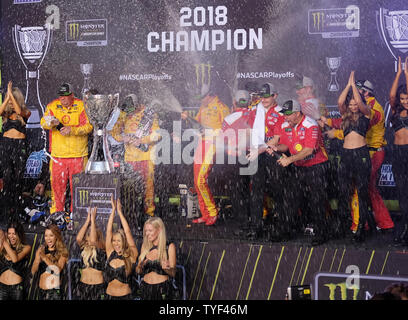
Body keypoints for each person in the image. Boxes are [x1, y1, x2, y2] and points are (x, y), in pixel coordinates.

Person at [267, 98, 330, 245]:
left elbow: (308, 151)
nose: (285, 117)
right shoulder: (290, 125)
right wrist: (276, 148)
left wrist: (289, 160)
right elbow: (287, 146)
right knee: (290, 199)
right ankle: (284, 232)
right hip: (299, 166)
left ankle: (321, 234)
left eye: (288, 114)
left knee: (317, 201)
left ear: (297, 113)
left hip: (316, 166)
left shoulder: (311, 125)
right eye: (284, 114)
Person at [181, 84, 230, 226]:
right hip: (201, 145)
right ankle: (205, 214)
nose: (201, 100)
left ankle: (213, 213)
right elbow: (197, 124)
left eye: (202, 98)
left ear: (210, 95)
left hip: (212, 145)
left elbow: (227, 131)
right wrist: (187, 118)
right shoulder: (203, 107)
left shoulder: (222, 108)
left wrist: (210, 133)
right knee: (196, 181)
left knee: (202, 180)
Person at [40, 83, 93, 214]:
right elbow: (43, 123)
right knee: (57, 189)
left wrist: (72, 130)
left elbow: (89, 127)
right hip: (58, 156)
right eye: (61, 96)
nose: (62, 99)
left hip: (78, 155)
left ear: (72, 95)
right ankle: (57, 215)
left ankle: (78, 216)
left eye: (65, 96)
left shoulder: (82, 105)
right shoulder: (53, 106)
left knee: (79, 189)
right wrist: (51, 122)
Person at [245, 83, 288, 240]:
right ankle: (256, 227)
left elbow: (278, 139)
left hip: (273, 154)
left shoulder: (281, 113)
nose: (263, 99)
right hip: (257, 153)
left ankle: (281, 228)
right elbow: (248, 129)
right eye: (262, 96)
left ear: (275, 96)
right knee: (256, 190)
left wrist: (261, 148)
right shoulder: (255, 110)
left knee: (278, 191)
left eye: (267, 96)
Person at [109, 93, 161, 218]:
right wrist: (124, 138)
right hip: (130, 159)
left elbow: (158, 135)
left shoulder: (149, 114)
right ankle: (132, 214)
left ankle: (149, 214)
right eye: (128, 111)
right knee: (130, 188)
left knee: (148, 187)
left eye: (132, 110)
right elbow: (114, 133)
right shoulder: (124, 114)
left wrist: (141, 141)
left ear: (137, 104)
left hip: (146, 157)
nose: (130, 113)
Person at [355, 78, 394, 232]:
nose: (356, 93)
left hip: (373, 152)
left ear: (366, 92)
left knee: (366, 187)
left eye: (358, 90)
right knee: (368, 188)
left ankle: (374, 222)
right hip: (368, 151)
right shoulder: (366, 105)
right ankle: (379, 222)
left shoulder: (373, 107)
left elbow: (361, 125)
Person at [0, 81, 31, 218]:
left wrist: (11, 95)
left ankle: (17, 209)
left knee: (18, 178)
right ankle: (7, 209)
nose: (11, 103)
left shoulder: (25, 112)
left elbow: (19, 111)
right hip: (6, 145)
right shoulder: (5, 114)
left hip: (19, 147)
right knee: (7, 178)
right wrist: (7, 97)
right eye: (9, 99)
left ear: (17, 99)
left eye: (13, 99)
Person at [389, 56, 408, 246]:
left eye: (407, 98)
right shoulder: (395, 111)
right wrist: (399, 74)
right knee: (402, 192)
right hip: (398, 153)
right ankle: (403, 227)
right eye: (403, 99)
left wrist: (407, 74)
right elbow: (392, 96)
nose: (404, 101)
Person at [104, 196, 138, 300]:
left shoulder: (131, 255)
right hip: (108, 296)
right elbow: (108, 231)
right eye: (114, 241)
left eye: (118, 241)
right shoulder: (110, 253)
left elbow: (127, 232)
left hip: (125, 297)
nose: (115, 244)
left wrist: (120, 212)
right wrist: (113, 210)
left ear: (124, 241)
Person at [136, 217, 177, 300]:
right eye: (146, 231)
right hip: (145, 288)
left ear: (159, 230)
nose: (147, 233)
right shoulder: (145, 247)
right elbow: (138, 272)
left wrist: (166, 268)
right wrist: (139, 267)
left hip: (162, 289)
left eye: (150, 230)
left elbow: (173, 273)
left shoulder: (169, 247)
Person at [75, 206, 106, 300]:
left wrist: (93, 220)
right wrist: (87, 220)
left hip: (97, 288)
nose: (89, 238)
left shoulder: (101, 246)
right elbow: (78, 238)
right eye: (87, 235)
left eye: (91, 235)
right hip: (84, 286)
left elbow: (93, 241)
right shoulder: (84, 248)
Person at [31, 224, 69, 300]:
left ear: (56, 236)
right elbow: (33, 271)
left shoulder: (62, 251)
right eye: (46, 236)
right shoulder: (41, 250)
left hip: (54, 293)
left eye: (51, 235)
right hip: (41, 292)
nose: (48, 239)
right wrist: (37, 259)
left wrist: (44, 258)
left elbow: (57, 270)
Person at [0, 221, 31, 300]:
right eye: (9, 233)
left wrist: (3, 240)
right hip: (1, 287)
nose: (11, 236)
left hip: (17, 289)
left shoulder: (26, 247)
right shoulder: (3, 247)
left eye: (14, 234)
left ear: (19, 235)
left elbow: (14, 259)